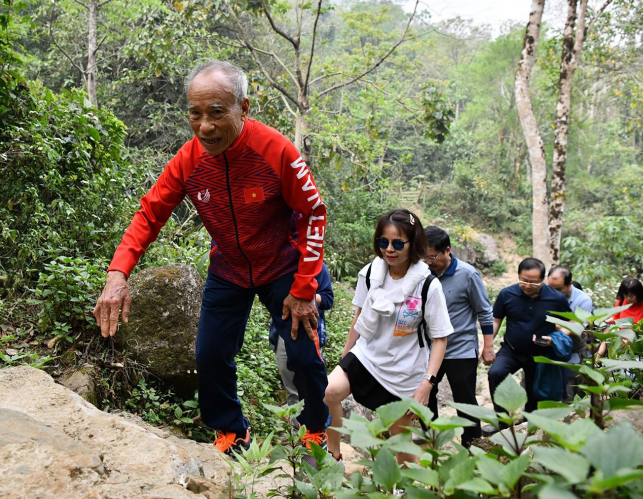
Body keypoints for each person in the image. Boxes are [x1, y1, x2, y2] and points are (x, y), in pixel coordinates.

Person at [92, 60, 330, 456]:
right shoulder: (189, 160)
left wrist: (304, 287)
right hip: (230, 268)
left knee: (304, 355)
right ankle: (231, 432)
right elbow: (150, 214)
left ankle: (316, 430)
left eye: (217, 113)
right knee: (210, 354)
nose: (205, 126)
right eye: (195, 113)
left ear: (244, 108)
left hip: (283, 265)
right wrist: (117, 274)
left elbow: (313, 213)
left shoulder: (276, 151)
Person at [324, 210, 453, 465]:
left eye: (397, 243)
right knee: (329, 391)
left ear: (413, 243)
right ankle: (333, 455)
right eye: (383, 242)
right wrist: (345, 356)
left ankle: (406, 489)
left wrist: (427, 383)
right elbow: (359, 317)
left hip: (405, 370)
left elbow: (440, 339)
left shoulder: (427, 285)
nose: (389, 250)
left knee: (402, 446)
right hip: (368, 355)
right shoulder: (371, 273)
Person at [423, 226, 494, 447]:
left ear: (447, 250)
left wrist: (488, 346)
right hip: (430, 349)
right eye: (423, 256)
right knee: (426, 393)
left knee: (465, 399)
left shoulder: (468, 274)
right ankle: (431, 437)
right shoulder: (422, 273)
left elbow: (484, 311)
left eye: (432, 256)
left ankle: (472, 441)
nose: (428, 261)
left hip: (460, 349)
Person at [486, 258, 572, 431]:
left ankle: (528, 429)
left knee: (534, 395)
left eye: (533, 283)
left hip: (540, 354)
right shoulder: (507, 294)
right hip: (511, 350)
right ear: (518, 276)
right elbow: (496, 320)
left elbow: (571, 323)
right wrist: (488, 346)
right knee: (496, 373)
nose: (527, 285)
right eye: (523, 280)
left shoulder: (556, 298)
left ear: (542, 280)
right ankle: (502, 422)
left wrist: (556, 337)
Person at [270, 263, 334, 408]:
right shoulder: (279, 263)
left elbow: (327, 298)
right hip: (282, 334)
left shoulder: (317, 266)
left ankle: (315, 427)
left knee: (312, 387)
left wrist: (305, 296)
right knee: (292, 389)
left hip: (310, 334)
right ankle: (296, 428)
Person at [547, 265, 594, 400]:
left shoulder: (583, 300)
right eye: (551, 288)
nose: (554, 293)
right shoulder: (543, 294)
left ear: (569, 284)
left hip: (572, 352)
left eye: (559, 289)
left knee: (569, 392)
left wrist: (552, 326)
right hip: (547, 351)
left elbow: (577, 328)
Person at [597, 277, 643, 358]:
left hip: (642, 350)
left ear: (638, 294)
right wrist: (609, 321)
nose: (628, 298)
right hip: (623, 347)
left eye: (631, 295)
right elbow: (616, 317)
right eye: (626, 295)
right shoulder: (620, 303)